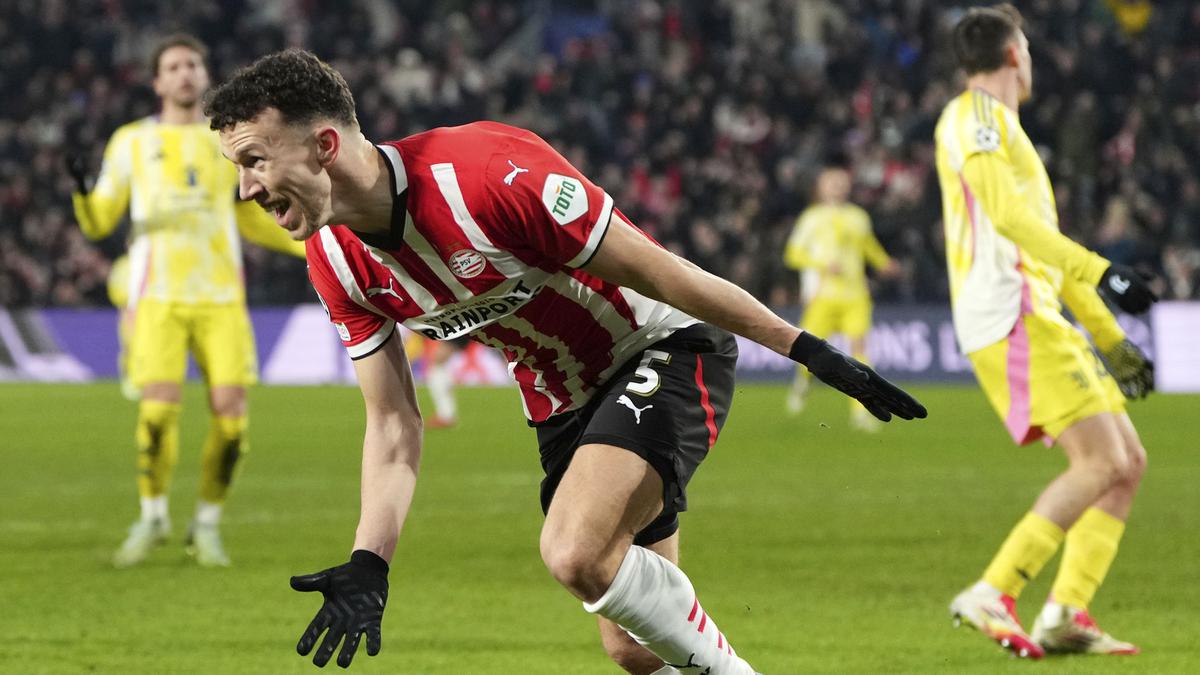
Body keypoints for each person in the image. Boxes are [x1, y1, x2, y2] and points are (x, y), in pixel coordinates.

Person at [205, 48, 926, 673]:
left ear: (325, 144)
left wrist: (804, 348)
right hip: (561, 404)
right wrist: (370, 561)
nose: (246, 189)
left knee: (574, 551)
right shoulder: (335, 261)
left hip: (661, 347)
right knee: (635, 648)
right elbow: (393, 423)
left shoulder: (486, 173)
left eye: (254, 161)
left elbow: (660, 270)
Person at [934, 4, 1157, 659]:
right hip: (1010, 313)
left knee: (1127, 463)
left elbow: (1042, 245)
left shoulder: (1006, 130)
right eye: (1026, 48)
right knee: (1102, 461)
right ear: (1013, 54)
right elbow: (1007, 218)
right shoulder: (972, 118)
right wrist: (1102, 270)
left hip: (1037, 310)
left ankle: (1065, 614)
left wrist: (1110, 340)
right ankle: (993, 591)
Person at [66, 34, 307, 568]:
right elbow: (100, 221)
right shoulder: (131, 141)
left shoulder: (226, 139)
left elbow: (248, 215)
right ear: (157, 81)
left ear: (205, 74)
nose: (184, 73)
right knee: (156, 414)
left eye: (193, 64)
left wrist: (305, 242)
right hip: (158, 297)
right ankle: (152, 516)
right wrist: (83, 194)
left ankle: (207, 524)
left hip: (221, 298)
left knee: (232, 421)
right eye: (173, 66)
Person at [783, 163, 900, 431]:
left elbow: (868, 247)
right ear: (821, 188)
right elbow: (793, 254)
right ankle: (803, 384)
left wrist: (884, 263)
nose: (837, 187)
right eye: (831, 182)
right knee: (808, 352)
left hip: (855, 295)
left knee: (859, 352)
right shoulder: (811, 218)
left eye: (841, 182)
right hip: (822, 296)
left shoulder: (858, 217)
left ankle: (862, 411)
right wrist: (822, 265)